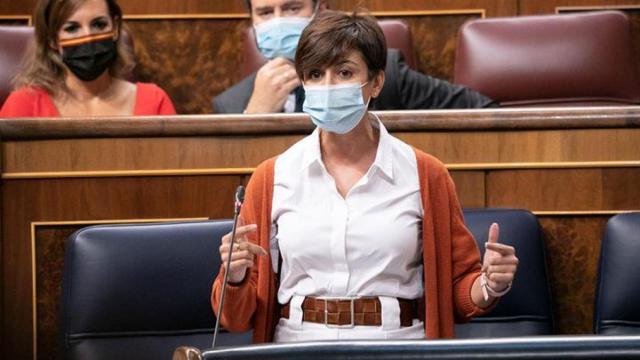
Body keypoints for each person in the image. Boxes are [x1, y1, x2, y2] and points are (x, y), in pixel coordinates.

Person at [211, 10, 518, 343]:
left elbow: (459, 291)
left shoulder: (426, 174)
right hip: (298, 344)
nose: (328, 86)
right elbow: (237, 319)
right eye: (315, 74)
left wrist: (490, 284)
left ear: (376, 82)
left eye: (344, 72)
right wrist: (235, 276)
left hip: (397, 343)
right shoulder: (272, 178)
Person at [212, 0, 497, 114]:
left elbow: (483, 113)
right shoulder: (231, 105)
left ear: (319, 9)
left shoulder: (388, 74)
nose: (277, 21)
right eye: (264, 12)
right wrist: (253, 119)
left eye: (291, 8)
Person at [0, 0, 176, 118]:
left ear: (115, 29)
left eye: (99, 25)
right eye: (72, 28)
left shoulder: (154, 102)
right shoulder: (23, 105)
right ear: (53, 40)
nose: (89, 38)